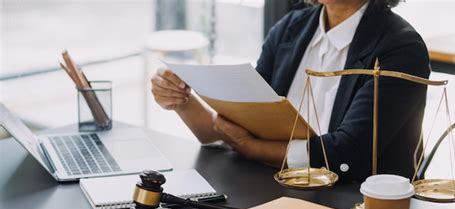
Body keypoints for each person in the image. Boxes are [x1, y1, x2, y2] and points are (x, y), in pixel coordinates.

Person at [151, 0, 430, 183]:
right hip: (275, 191)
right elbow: (234, 128)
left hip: (352, 205)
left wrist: (252, 148)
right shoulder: (290, 29)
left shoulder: (401, 48)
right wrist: (181, 99)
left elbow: (348, 153)